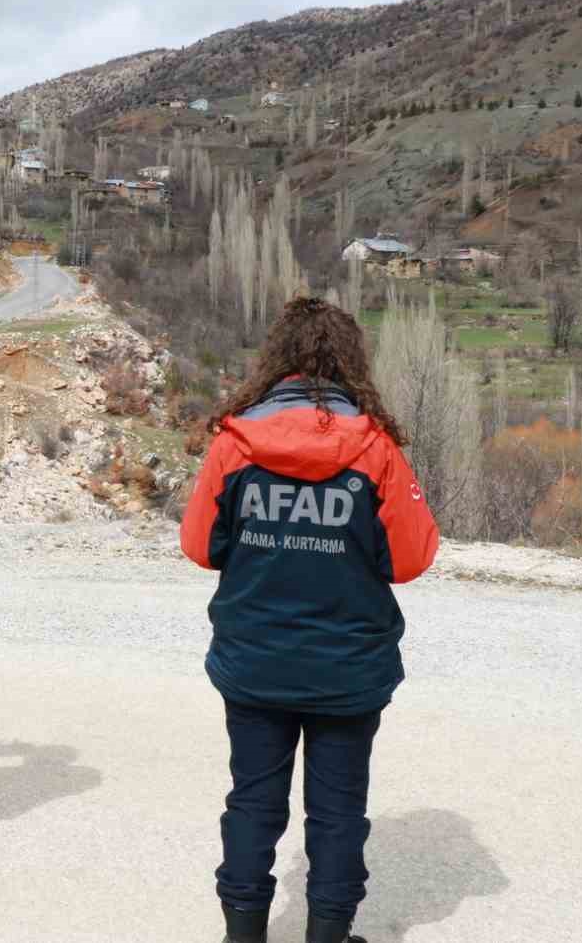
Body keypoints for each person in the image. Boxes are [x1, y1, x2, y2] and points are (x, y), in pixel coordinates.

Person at [180, 297, 440, 943]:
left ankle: (243, 934)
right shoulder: (375, 450)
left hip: (255, 662)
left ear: (277, 360)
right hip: (347, 670)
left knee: (252, 802)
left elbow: (199, 545)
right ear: (349, 363)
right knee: (338, 813)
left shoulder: (235, 444)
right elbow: (412, 558)